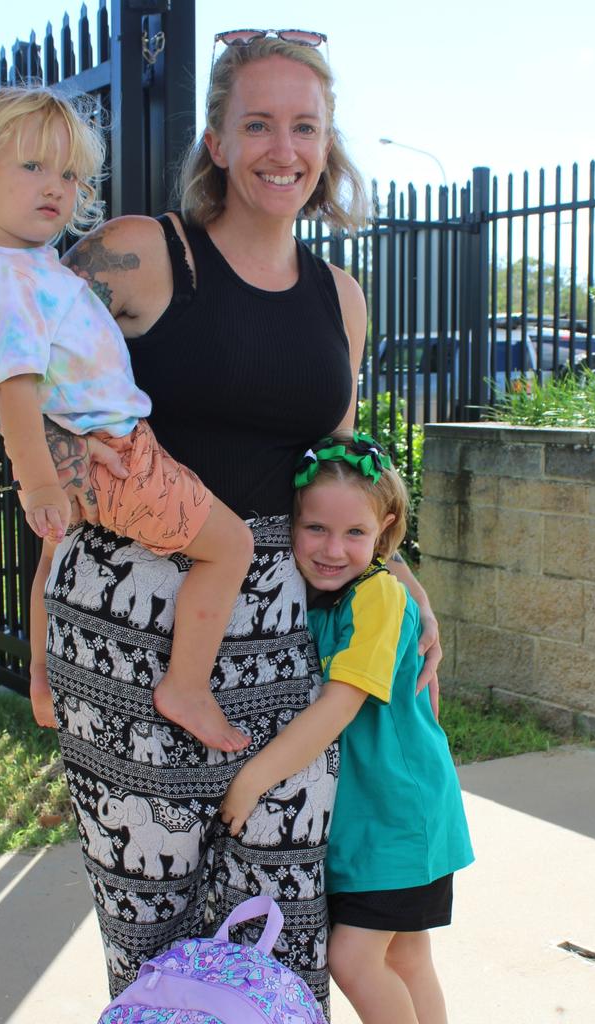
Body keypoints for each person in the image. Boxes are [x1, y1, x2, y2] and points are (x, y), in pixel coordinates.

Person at [0, 32, 442, 1014]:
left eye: (303, 125)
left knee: (279, 919)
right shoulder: (143, 249)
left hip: (278, 637)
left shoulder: (338, 298)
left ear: (326, 142)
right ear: (218, 141)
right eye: (256, 122)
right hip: (125, 623)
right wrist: (65, 470)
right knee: (151, 918)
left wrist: (398, 575)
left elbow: (340, 468)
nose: (283, 147)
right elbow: (3, 351)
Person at [0, 84, 254, 752]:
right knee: (231, 547)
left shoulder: (23, 265)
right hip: (114, 454)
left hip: (97, 444)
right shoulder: (4, 277)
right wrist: (39, 480)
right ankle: (186, 688)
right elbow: (14, 386)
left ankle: (41, 678)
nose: (57, 187)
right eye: (33, 167)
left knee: (54, 560)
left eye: (70, 174)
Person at [220, 431, 474, 1024]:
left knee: (355, 959)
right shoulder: (309, 596)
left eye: (355, 533)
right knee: (407, 959)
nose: (333, 548)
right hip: (373, 820)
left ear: (384, 532)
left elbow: (341, 704)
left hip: (398, 817)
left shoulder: (379, 597)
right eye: (316, 529)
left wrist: (253, 778)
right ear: (291, 525)